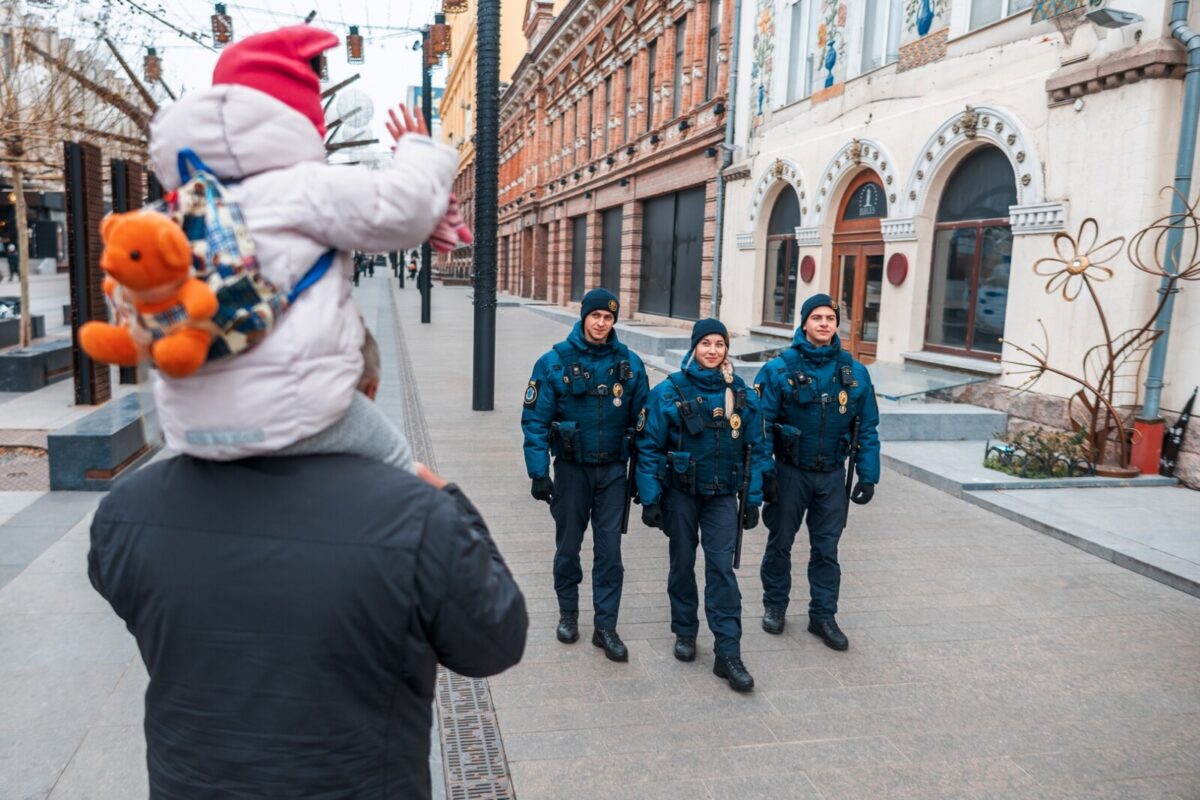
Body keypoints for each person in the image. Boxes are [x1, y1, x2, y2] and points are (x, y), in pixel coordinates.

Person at [144, 26, 457, 465]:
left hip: (187, 424)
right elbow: (403, 211)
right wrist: (418, 151)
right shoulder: (305, 187)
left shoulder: (176, 203)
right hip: (298, 414)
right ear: (300, 114)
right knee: (403, 464)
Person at [521, 288, 649, 661]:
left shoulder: (630, 364)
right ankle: (568, 613)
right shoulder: (554, 362)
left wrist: (642, 478)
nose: (601, 323)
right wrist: (537, 471)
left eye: (608, 318)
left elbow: (645, 426)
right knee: (568, 547)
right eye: (596, 316)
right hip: (572, 472)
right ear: (584, 317)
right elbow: (535, 420)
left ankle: (605, 627)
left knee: (610, 553)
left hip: (613, 472)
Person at [636, 318, 764, 692]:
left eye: (719, 344)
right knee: (682, 563)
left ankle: (728, 652)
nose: (712, 350)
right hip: (680, 495)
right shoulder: (668, 392)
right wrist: (650, 498)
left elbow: (757, 448)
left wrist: (752, 498)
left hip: (723, 496)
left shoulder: (741, 394)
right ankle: (685, 630)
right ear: (694, 348)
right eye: (705, 343)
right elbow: (648, 447)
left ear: (726, 349)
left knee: (722, 569)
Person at [754, 293, 880, 651]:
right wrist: (766, 476)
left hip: (831, 476)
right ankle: (775, 606)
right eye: (817, 318)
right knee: (780, 544)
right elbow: (761, 427)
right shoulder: (779, 369)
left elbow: (867, 427)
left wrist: (868, 475)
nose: (824, 324)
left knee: (827, 550)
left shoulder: (854, 373)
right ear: (804, 323)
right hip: (790, 473)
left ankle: (822, 616)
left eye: (830, 318)